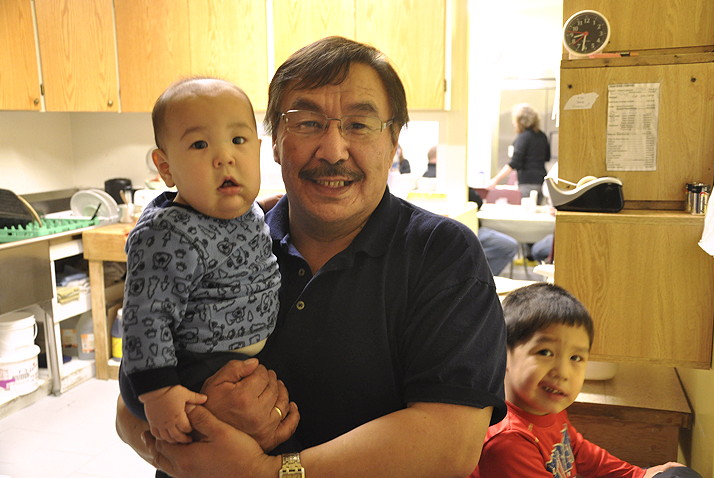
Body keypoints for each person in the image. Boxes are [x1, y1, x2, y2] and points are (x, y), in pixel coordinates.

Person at [116, 36, 508, 478]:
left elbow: (450, 447)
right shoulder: (227, 234)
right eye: (306, 123)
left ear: (393, 142)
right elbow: (128, 412)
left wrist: (265, 472)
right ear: (276, 143)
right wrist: (202, 414)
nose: (333, 150)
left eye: (359, 125)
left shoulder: (441, 254)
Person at [119, 77, 283, 455]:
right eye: (199, 144)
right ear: (166, 168)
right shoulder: (168, 234)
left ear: (257, 151)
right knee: (201, 455)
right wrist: (160, 392)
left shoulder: (243, 209)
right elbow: (146, 318)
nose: (224, 157)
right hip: (180, 369)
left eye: (238, 141)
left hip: (225, 362)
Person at [469, 283, 700, 478]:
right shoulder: (508, 441)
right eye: (545, 352)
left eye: (576, 357)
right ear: (502, 353)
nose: (563, 371)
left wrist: (637, 474)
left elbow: (578, 450)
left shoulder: (545, 407)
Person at [486, 103, 550, 203]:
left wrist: (495, 180)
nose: (513, 123)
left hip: (527, 183)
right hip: (541, 182)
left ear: (520, 121)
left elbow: (515, 162)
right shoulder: (542, 136)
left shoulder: (523, 137)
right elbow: (547, 157)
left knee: (527, 213)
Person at [468, 187, 519, 275]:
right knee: (509, 246)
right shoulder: (459, 185)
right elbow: (477, 201)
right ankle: (483, 279)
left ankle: (483, 278)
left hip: (473, 229)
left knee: (509, 246)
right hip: (471, 230)